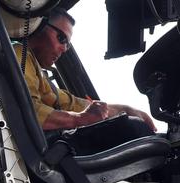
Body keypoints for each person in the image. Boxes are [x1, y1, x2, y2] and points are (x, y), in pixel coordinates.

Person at [14, 8, 158, 154]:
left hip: (47, 147)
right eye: (62, 39)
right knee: (133, 129)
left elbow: (74, 104)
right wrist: (80, 119)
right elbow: (28, 110)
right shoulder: (19, 54)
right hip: (42, 151)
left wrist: (125, 109)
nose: (64, 49)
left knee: (137, 128)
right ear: (39, 26)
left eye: (67, 44)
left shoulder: (41, 77)